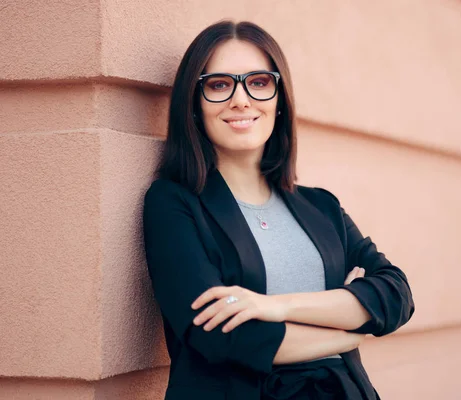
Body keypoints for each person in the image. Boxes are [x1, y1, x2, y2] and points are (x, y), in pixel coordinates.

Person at [143, 19, 414, 400]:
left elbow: (395, 293)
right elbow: (224, 336)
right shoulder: (173, 204)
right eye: (219, 85)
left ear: (279, 100)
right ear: (194, 104)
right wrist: (350, 326)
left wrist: (271, 306)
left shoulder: (322, 206)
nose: (241, 99)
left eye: (258, 82)